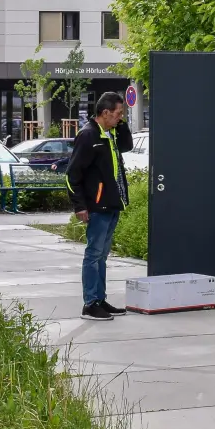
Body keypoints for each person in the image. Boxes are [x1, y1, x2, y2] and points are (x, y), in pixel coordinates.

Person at [66, 92, 133, 321]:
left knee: (102, 255)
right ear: (105, 113)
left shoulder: (109, 133)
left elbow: (127, 146)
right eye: (117, 114)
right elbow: (72, 174)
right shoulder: (88, 135)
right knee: (93, 255)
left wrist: (120, 124)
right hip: (97, 205)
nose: (120, 118)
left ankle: (100, 299)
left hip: (112, 203)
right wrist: (79, 206)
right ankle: (90, 304)